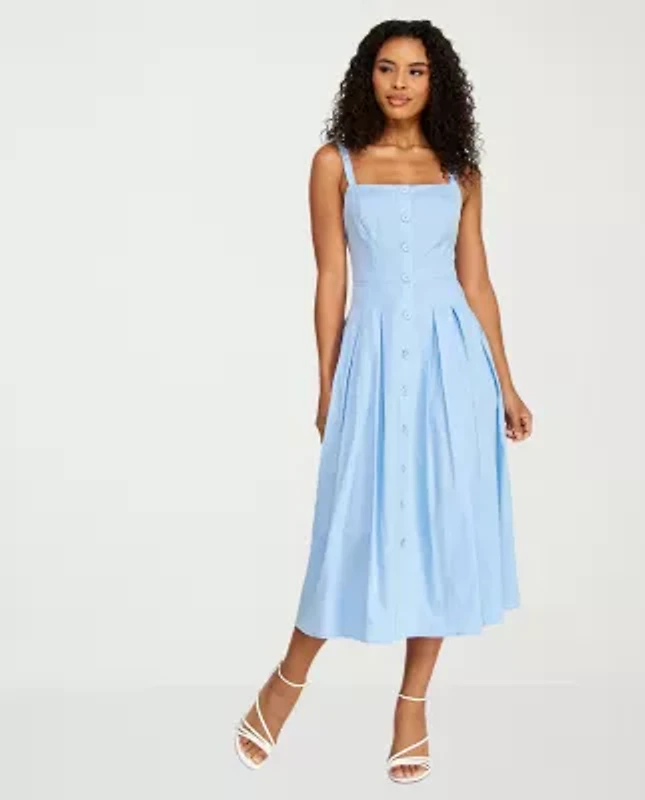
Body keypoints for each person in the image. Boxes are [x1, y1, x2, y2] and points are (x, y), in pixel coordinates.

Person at [234, 18, 534, 784]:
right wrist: (327, 382)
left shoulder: (460, 171)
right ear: (366, 76)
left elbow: (476, 280)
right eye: (387, 68)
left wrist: (504, 381)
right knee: (350, 521)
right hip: (370, 359)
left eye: (416, 70)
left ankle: (412, 705)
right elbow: (331, 277)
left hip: (451, 363)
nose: (400, 83)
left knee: (440, 521)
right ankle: (287, 680)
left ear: (438, 82)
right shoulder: (334, 163)